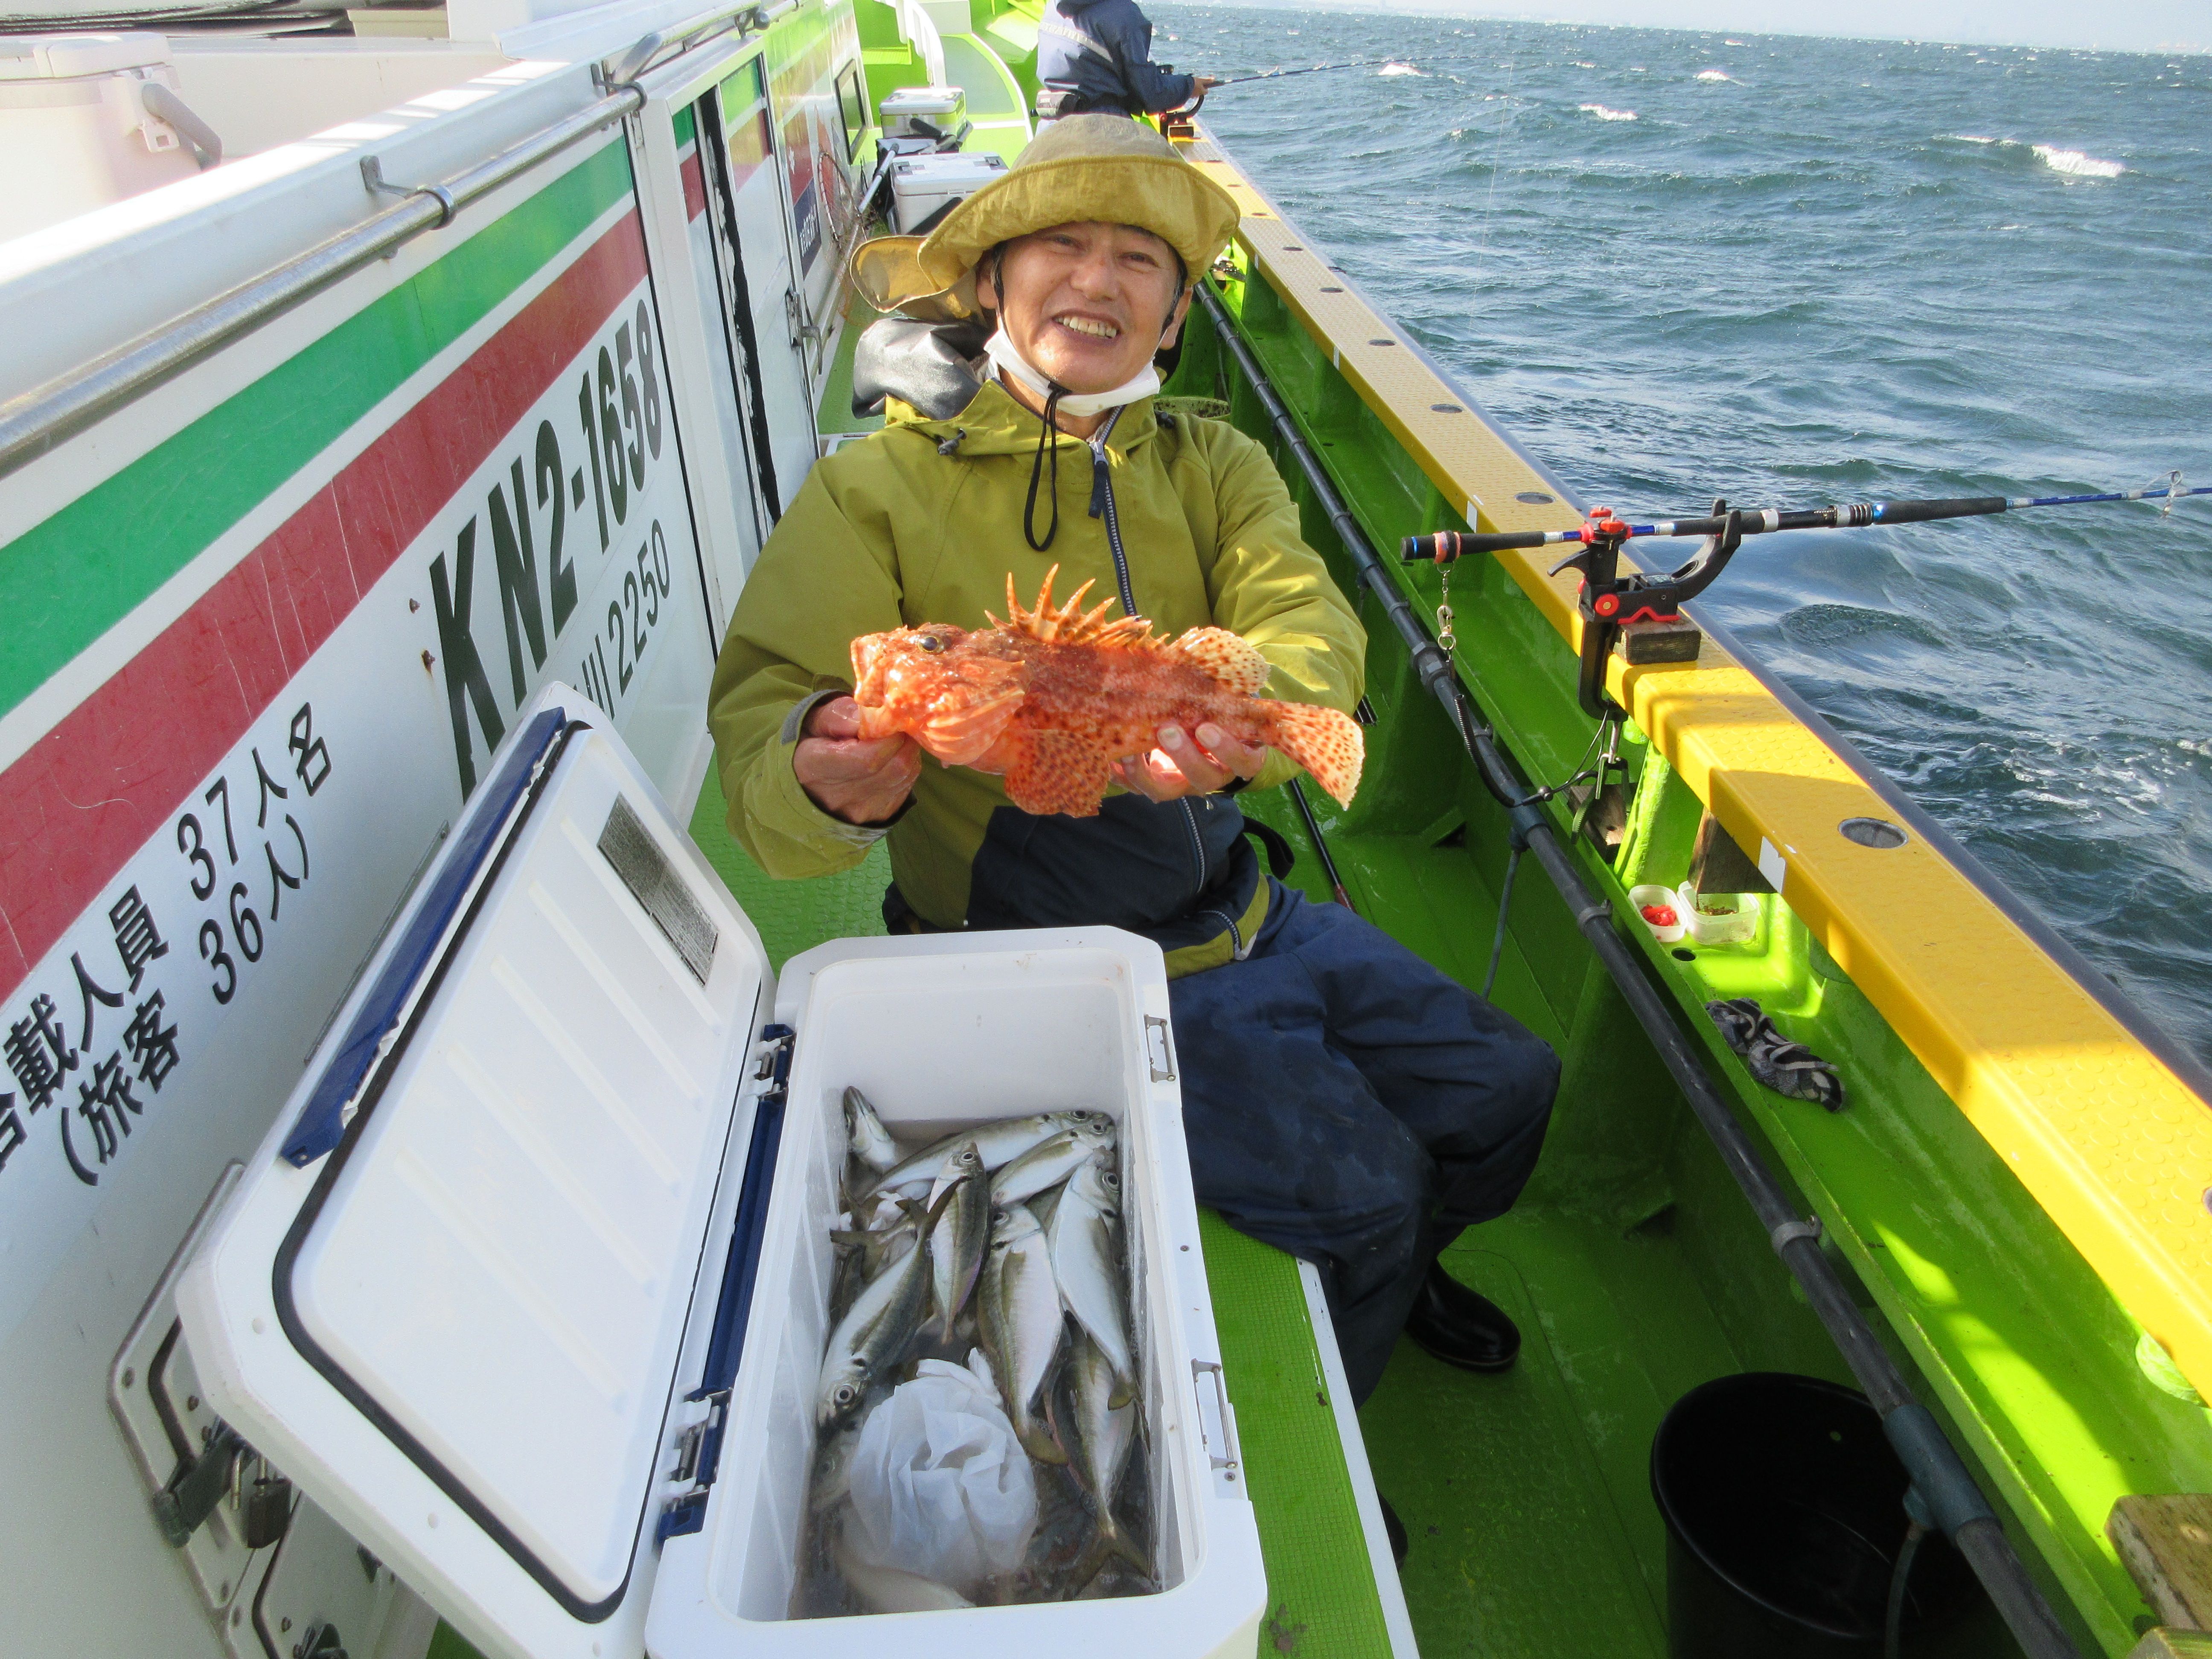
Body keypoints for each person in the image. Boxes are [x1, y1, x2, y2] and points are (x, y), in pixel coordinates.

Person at [708, 117, 1557, 1419]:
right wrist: (822, 769)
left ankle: (1412, 1264)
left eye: (1139, 259)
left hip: (1245, 908)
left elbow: (1306, 623)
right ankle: (1356, 1339)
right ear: (991, 280)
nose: (1096, 280)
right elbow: (769, 722)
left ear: (1174, 313)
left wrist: (1247, 707)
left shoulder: (1218, 463)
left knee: (1508, 1089)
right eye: (1060, 243)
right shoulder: (875, 491)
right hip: (1045, 961)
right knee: (1367, 1198)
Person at [1034, 0, 1218, 121]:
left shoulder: (1053, 7)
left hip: (1052, 121)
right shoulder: (1126, 15)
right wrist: (1189, 86)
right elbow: (1151, 94)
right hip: (1104, 131)